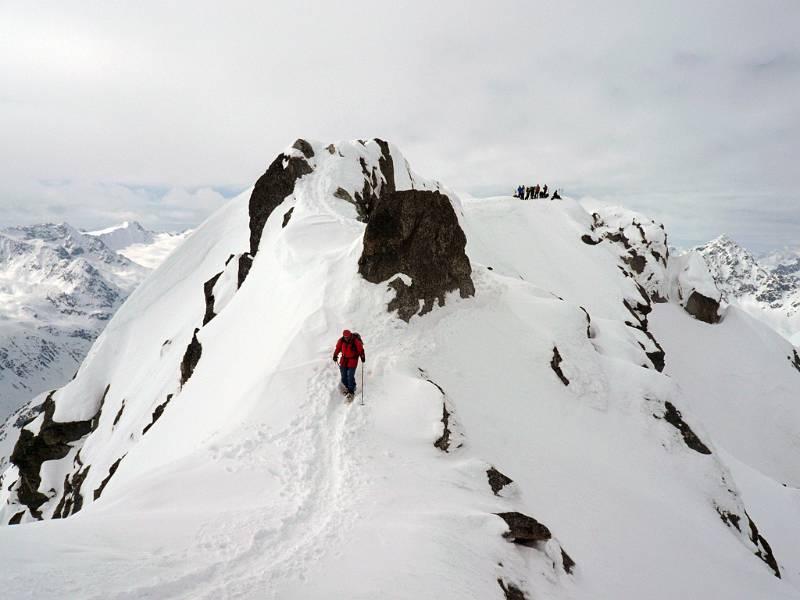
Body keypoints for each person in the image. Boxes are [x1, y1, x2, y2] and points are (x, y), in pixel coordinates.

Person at [333, 329, 365, 399]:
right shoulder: (341, 340)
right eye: (345, 337)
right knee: (343, 375)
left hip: (353, 360)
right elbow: (338, 348)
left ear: (350, 335)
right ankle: (347, 388)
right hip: (344, 360)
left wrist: (362, 356)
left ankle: (351, 391)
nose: (346, 338)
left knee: (350, 375)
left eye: (348, 337)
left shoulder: (355, 341)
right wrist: (335, 355)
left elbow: (360, 349)